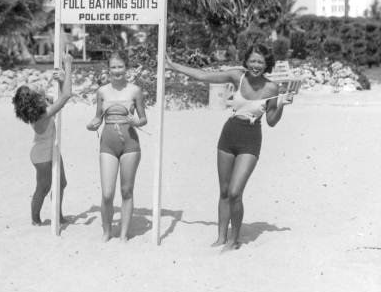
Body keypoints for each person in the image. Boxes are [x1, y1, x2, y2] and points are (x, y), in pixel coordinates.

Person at [166, 44, 294, 250]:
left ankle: (235, 240)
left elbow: (271, 121)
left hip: (251, 139)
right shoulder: (237, 77)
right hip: (229, 134)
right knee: (224, 191)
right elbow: (204, 76)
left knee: (235, 192)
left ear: (267, 63)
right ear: (246, 61)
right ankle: (221, 237)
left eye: (260, 61)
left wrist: (281, 105)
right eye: (252, 60)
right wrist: (174, 66)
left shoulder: (271, 88)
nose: (255, 65)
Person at [87, 51, 147, 242]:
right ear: (108, 69)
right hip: (107, 143)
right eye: (113, 67)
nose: (117, 70)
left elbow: (144, 119)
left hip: (130, 143)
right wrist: (92, 124)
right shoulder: (102, 91)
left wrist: (135, 121)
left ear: (126, 68)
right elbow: (98, 116)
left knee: (127, 191)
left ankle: (123, 234)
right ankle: (106, 231)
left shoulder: (135, 90)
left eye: (120, 66)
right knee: (107, 193)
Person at [12, 53, 74, 226]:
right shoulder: (42, 115)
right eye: (34, 87)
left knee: (61, 183)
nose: (38, 84)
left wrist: (61, 80)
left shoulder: (45, 105)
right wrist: (69, 66)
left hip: (50, 149)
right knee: (43, 187)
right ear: (34, 99)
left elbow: (61, 96)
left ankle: (58, 215)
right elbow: (66, 96)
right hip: (42, 155)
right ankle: (35, 218)